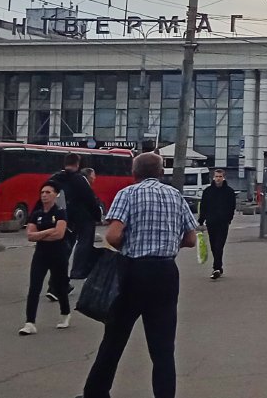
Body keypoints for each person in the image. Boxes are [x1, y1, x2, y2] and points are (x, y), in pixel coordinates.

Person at [79, 151, 198, 398]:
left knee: (115, 337)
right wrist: (167, 245)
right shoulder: (175, 196)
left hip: (132, 272)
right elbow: (191, 239)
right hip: (166, 273)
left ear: (134, 174)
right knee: (163, 347)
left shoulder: (128, 194)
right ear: (161, 173)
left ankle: (96, 393)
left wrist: (132, 247)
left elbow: (113, 235)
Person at [20, 182, 72, 335]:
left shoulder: (61, 212)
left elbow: (59, 234)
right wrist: (49, 231)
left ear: (55, 195)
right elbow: (30, 235)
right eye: (42, 192)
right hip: (41, 254)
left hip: (59, 253)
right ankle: (30, 323)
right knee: (34, 287)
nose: (44, 195)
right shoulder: (36, 214)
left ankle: (65, 313)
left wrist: (41, 235)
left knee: (59, 285)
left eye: (48, 192)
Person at [51, 153, 104, 281]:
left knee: (65, 248)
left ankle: (57, 279)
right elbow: (89, 199)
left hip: (62, 217)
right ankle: (78, 270)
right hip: (80, 218)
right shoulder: (79, 179)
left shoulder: (54, 178)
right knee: (84, 243)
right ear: (77, 164)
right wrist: (97, 215)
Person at [198, 168, 237, 279]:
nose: (218, 179)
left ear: (224, 177)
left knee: (219, 245)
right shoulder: (208, 191)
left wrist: (229, 218)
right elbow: (204, 206)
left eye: (220, 176)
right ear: (213, 177)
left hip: (223, 222)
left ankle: (216, 267)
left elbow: (232, 206)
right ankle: (219, 267)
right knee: (213, 245)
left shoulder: (229, 191)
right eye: (216, 176)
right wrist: (201, 220)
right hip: (211, 222)